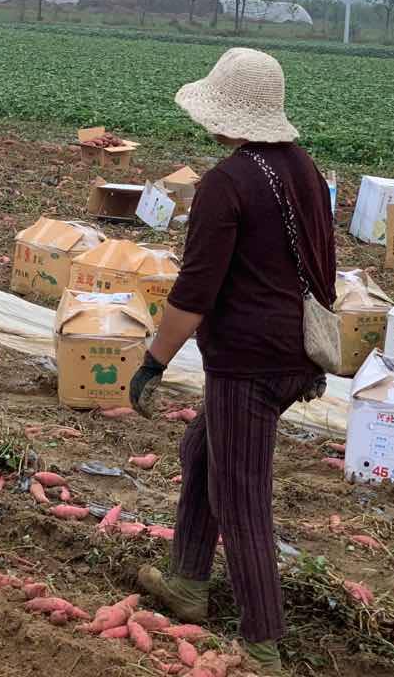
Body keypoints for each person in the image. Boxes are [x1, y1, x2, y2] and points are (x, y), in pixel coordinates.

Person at [129, 48, 335, 676]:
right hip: (295, 349)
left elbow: (194, 292)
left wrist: (154, 362)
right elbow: (323, 259)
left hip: (250, 361)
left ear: (224, 115)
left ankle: (262, 645)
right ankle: (187, 581)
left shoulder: (226, 182)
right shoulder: (303, 167)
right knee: (201, 451)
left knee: (240, 495)